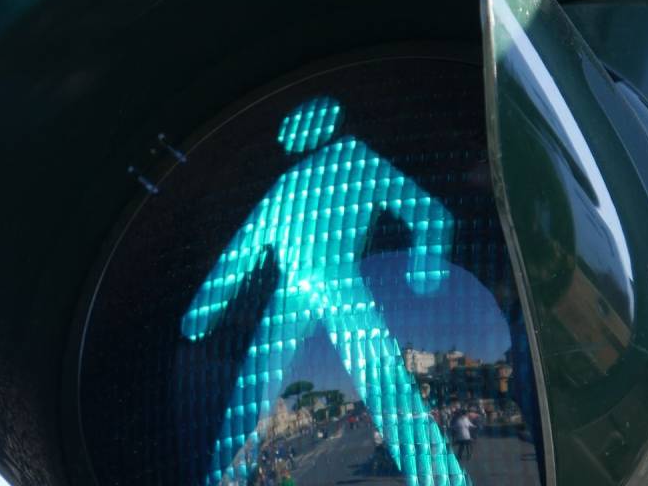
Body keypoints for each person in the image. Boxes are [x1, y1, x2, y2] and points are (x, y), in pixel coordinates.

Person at [181, 96, 468, 486]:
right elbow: (431, 215)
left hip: (317, 288)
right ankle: (441, 478)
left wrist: (199, 315)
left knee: (254, 395)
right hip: (320, 289)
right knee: (384, 388)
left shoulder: (344, 162)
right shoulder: (326, 170)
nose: (284, 136)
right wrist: (425, 272)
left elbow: (236, 260)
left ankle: (224, 478)